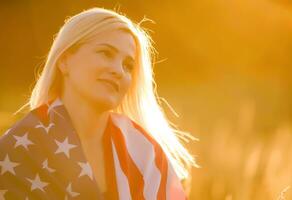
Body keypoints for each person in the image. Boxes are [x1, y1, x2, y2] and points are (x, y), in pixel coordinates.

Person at [0, 7, 199, 200]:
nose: (119, 71)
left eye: (128, 65)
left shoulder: (146, 154)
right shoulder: (18, 149)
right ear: (64, 61)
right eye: (106, 53)